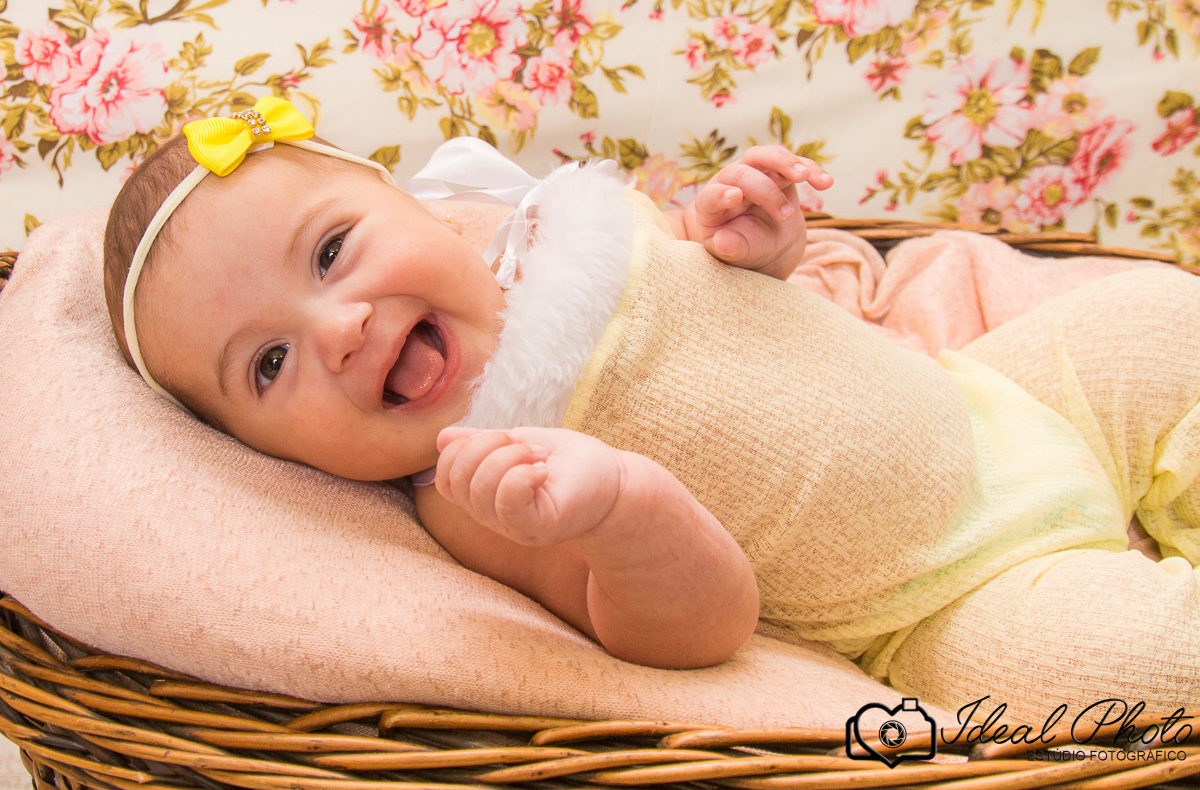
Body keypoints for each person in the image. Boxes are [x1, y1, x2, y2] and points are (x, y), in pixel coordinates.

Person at [103, 98, 1199, 719]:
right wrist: (617, 515)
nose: (338, 326)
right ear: (264, 454)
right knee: (1136, 673)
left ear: (417, 206)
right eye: (269, 365)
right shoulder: (484, 486)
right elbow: (699, 631)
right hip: (942, 600)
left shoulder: (567, 234)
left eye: (334, 250)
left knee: (1159, 317)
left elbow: (754, 299)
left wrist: (757, 242)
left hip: (995, 398)